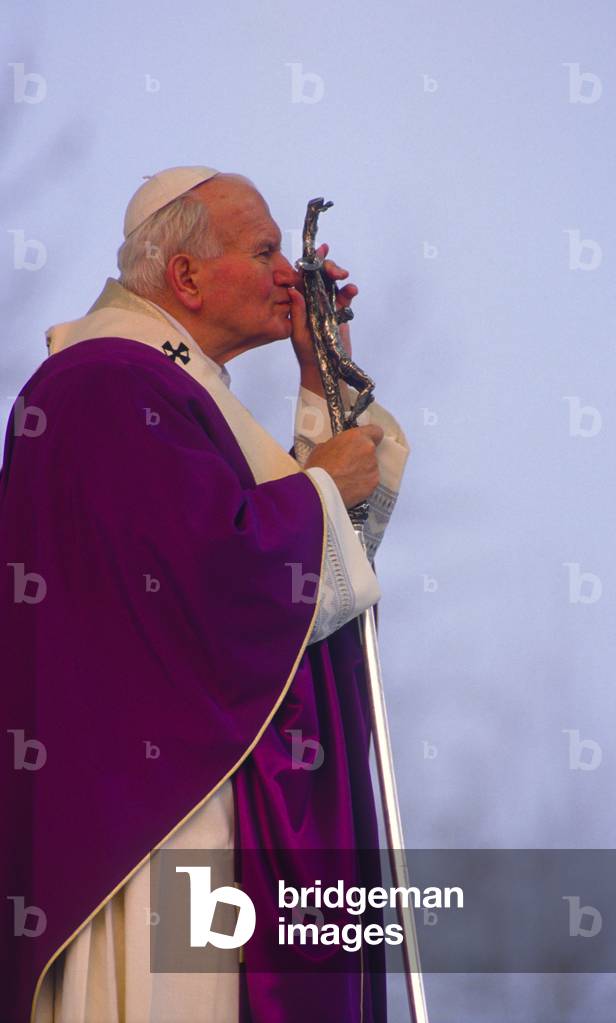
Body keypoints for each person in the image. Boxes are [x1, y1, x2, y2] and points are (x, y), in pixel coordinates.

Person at [1, 167, 410, 1022]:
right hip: (166, 818)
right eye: (264, 252)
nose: (288, 275)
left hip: (195, 791)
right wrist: (322, 488)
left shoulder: (174, 390)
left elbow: (293, 590)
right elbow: (213, 583)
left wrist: (318, 381)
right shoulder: (106, 385)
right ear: (184, 276)